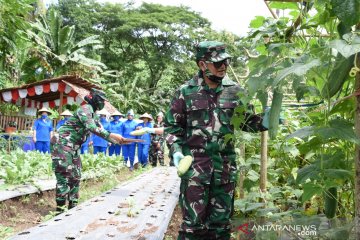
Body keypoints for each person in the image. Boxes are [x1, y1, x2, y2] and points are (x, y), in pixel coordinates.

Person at [164, 41, 267, 239]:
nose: (223, 67)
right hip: (195, 171)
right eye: (217, 63)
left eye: (226, 62)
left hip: (224, 171)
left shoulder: (235, 91)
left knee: (221, 227)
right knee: (193, 227)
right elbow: (172, 128)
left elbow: (247, 123)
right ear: (202, 65)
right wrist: (176, 149)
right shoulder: (185, 92)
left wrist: (267, 119)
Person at [51, 88, 125, 212]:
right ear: (95, 99)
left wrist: (117, 140)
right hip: (62, 144)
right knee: (64, 175)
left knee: (76, 176)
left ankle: (72, 207)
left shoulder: (93, 114)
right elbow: (91, 127)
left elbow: (99, 128)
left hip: (73, 146)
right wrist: (111, 135)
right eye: (101, 100)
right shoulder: (85, 109)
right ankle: (60, 209)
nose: (102, 103)